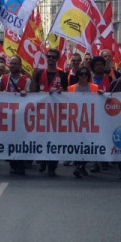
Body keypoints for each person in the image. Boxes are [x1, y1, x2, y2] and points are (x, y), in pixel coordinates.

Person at [32, 48, 69, 176]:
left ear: (57, 59)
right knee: (42, 138)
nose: (51, 59)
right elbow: (33, 92)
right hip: (41, 112)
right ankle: (43, 161)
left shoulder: (62, 75)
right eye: (49, 57)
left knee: (54, 139)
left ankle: (52, 166)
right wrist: (33, 79)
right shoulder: (39, 73)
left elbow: (66, 93)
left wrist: (61, 91)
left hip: (56, 113)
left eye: (53, 57)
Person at [0, 56, 31, 175]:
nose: (13, 65)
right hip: (8, 115)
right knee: (10, 139)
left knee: (21, 139)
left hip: (21, 116)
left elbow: (31, 95)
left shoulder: (26, 80)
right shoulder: (3, 79)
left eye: (15, 63)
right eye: (11, 63)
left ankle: (21, 163)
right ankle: (13, 163)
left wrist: (26, 93)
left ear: (20, 65)